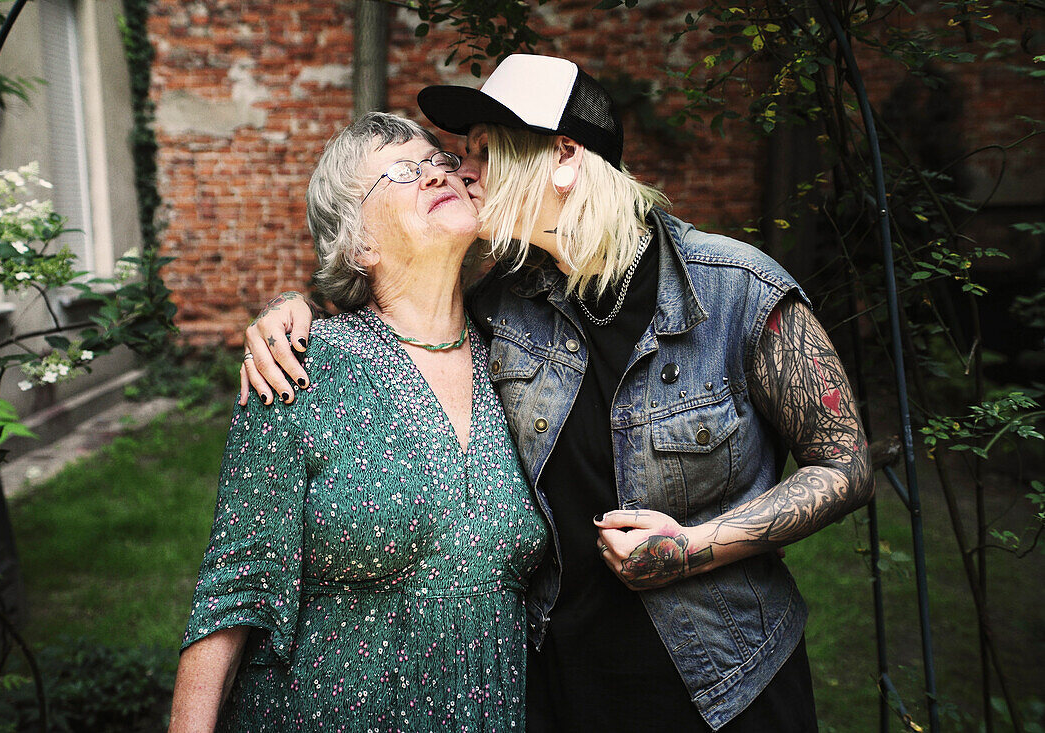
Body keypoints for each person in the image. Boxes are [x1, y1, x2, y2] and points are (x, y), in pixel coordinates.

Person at [241, 55, 874, 731]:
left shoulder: (737, 290)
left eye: (488, 152)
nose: (463, 170)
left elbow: (846, 464)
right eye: (465, 152)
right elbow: (398, 310)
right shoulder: (506, 304)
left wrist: (696, 546)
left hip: (729, 689)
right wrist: (293, 311)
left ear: (566, 157)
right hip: (565, 687)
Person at [170, 111, 548, 731]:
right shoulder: (300, 368)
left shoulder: (523, 360)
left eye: (438, 161)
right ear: (359, 244)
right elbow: (235, 588)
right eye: (404, 170)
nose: (435, 175)